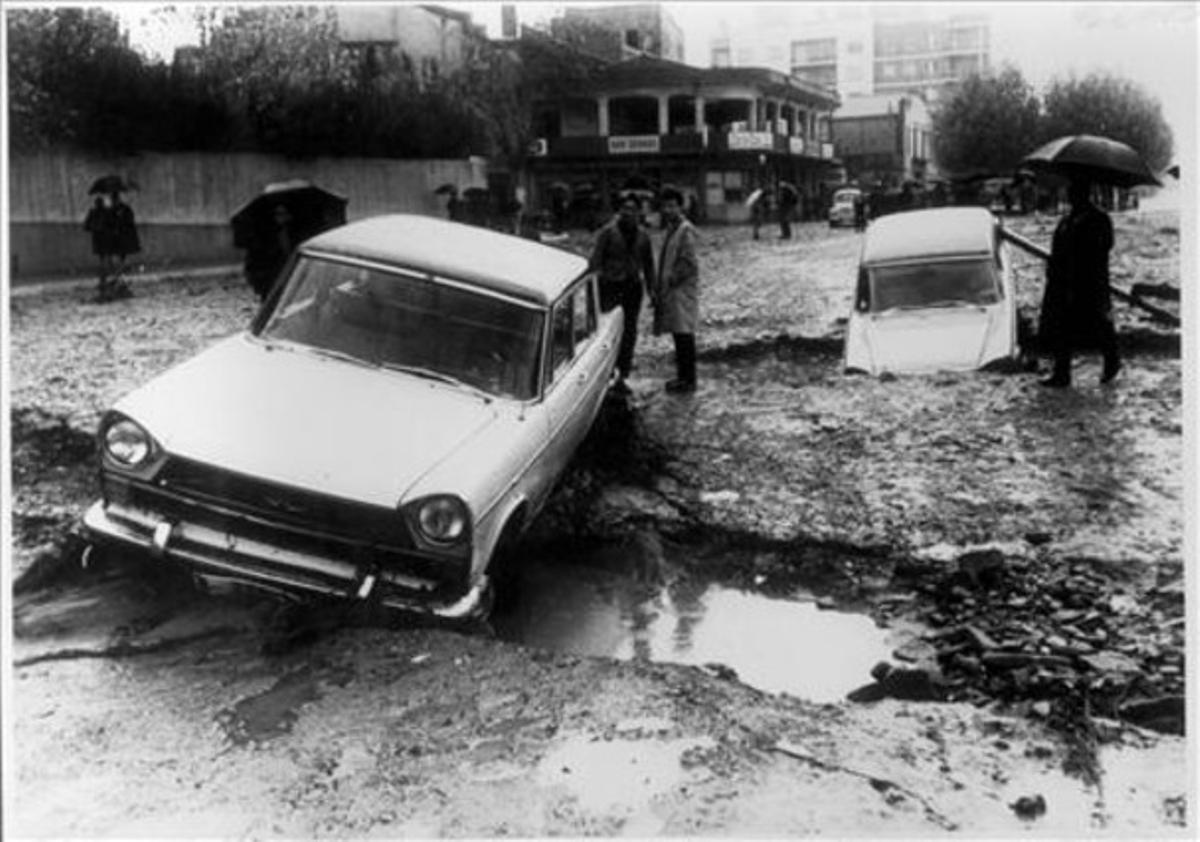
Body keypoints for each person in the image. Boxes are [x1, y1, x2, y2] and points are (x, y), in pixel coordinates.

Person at [1038, 177, 1121, 387]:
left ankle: (1112, 362)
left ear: (1085, 195)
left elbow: (1105, 246)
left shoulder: (1099, 218)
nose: (1071, 197)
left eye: (1075, 193)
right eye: (1070, 193)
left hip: (1089, 281)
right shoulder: (1067, 219)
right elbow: (1058, 247)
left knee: (1100, 323)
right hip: (1064, 281)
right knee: (1061, 327)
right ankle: (1061, 373)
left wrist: (1082, 254)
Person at [589, 195, 656, 391]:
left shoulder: (644, 236)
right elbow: (595, 262)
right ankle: (606, 370)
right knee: (607, 328)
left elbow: (649, 265)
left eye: (633, 209)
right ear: (619, 212)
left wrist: (652, 291)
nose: (628, 213)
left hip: (633, 287)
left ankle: (623, 371)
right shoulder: (607, 233)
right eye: (625, 209)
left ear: (639, 213)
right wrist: (593, 288)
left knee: (630, 330)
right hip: (609, 286)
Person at [652, 187, 700, 393]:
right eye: (665, 206)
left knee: (684, 335)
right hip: (673, 291)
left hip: (681, 291)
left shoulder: (685, 229)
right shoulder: (673, 228)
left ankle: (688, 380)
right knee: (679, 334)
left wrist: (672, 280)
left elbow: (689, 262)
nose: (668, 210)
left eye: (672, 206)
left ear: (680, 207)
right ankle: (683, 377)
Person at [245, 203, 295, 301]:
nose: (284, 217)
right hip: (271, 278)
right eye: (279, 214)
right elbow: (254, 262)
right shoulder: (265, 238)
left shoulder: (291, 232)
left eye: (285, 214)